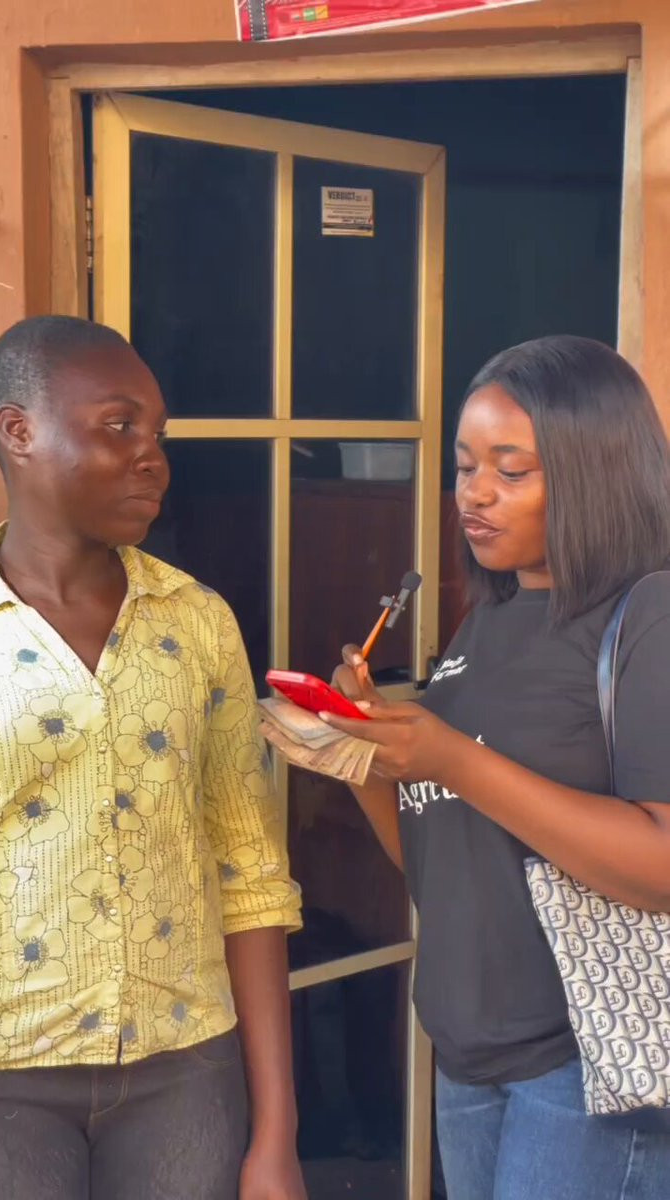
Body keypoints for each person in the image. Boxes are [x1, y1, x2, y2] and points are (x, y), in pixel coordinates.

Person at [326, 336, 670, 1200]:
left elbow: (661, 865)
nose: (473, 494)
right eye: (463, 466)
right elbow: (438, 859)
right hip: (468, 1056)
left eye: (510, 471)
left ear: (594, 474)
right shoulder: (490, 616)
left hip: (586, 1065)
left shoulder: (647, 617)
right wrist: (359, 752)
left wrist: (451, 757)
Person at [0, 316, 306, 1200]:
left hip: (184, 1073)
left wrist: (276, 1135)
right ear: (18, 431)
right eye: (118, 426)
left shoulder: (197, 622)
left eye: (157, 434)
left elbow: (250, 871)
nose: (152, 458)